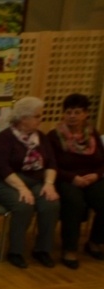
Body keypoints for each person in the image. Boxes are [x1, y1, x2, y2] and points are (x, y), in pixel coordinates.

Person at [0, 96, 60, 269]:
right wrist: (21, 187)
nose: (40, 120)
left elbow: (51, 162)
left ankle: (42, 250)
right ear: (23, 118)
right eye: (37, 116)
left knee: (51, 203)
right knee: (23, 205)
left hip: (36, 180)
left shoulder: (40, 137)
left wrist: (49, 184)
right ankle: (16, 251)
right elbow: (0, 167)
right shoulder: (5, 137)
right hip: (3, 181)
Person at [47, 93, 104, 269]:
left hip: (92, 178)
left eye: (77, 112)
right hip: (66, 179)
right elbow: (51, 164)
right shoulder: (54, 136)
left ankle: (94, 242)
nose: (72, 116)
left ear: (86, 114)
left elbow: (102, 161)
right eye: (69, 112)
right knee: (75, 203)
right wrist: (73, 178)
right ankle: (69, 249)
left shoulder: (93, 134)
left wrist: (96, 175)